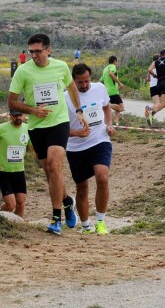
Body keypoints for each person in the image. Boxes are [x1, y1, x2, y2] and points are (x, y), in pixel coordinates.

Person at [8, 33, 89, 235]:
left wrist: (78, 111)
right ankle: (67, 201)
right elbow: (12, 102)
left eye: (38, 51)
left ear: (48, 50)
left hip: (58, 122)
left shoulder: (60, 66)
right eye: (31, 51)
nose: (34, 55)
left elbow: (71, 88)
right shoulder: (23, 72)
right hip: (36, 126)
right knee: (50, 172)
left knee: (55, 164)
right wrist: (33, 111)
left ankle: (55, 218)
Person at [65, 63, 115, 235]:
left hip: (100, 140)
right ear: (73, 81)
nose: (85, 85)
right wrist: (77, 133)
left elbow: (107, 108)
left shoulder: (100, 88)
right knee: (82, 187)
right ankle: (86, 226)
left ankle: (100, 222)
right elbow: (60, 129)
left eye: (87, 81)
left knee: (102, 177)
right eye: (80, 82)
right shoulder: (65, 97)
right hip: (76, 147)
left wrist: (109, 125)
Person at [0, 109, 32, 218]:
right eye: (15, 116)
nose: (18, 118)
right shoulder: (1, 128)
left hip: (19, 170)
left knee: (21, 203)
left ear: (24, 116)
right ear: (10, 116)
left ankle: (17, 227)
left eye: (20, 115)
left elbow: (32, 147)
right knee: (10, 205)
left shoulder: (27, 128)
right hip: (4, 171)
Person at [101, 56, 124, 125]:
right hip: (113, 91)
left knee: (118, 108)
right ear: (114, 61)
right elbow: (111, 74)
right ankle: (107, 105)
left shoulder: (105, 69)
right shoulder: (112, 66)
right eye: (117, 61)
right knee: (121, 108)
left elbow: (101, 80)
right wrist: (119, 83)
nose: (117, 63)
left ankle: (116, 122)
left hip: (107, 91)